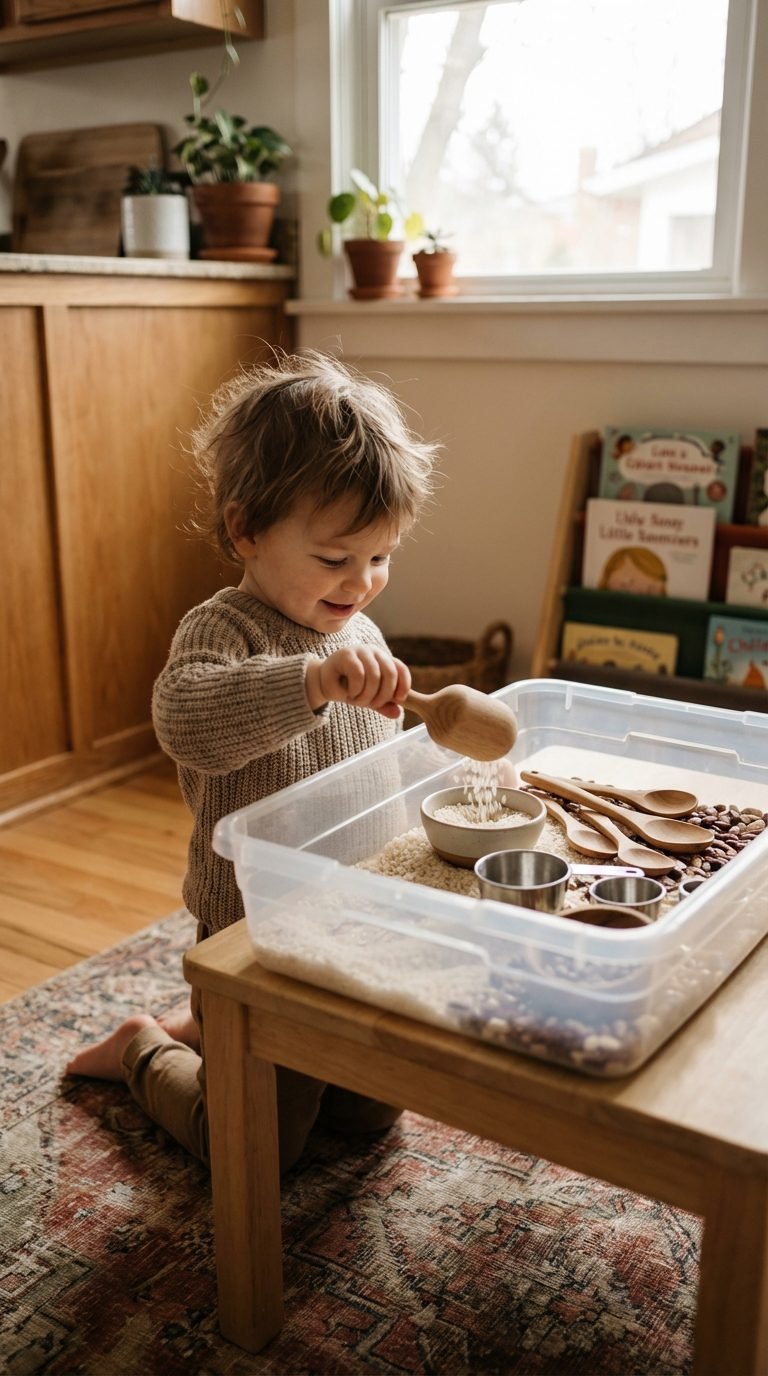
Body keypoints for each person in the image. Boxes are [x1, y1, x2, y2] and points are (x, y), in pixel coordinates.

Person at [67, 350, 438, 1171]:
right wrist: (308, 681)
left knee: (370, 1117)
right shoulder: (222, 630)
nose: (363, 582)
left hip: (354, 923)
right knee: (255, 1147)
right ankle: (145, 1049)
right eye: (336, 559)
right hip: (255, 931)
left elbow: (375, 763)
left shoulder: (357, 629)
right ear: (246, 530)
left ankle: (210, 1032)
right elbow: (187, 719)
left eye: (381, 557)